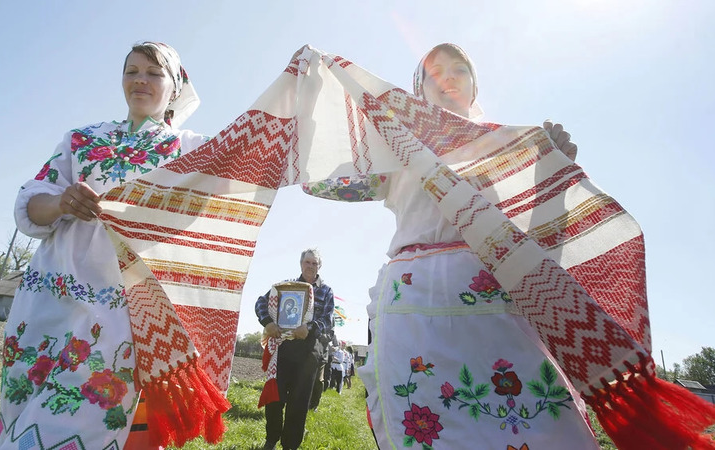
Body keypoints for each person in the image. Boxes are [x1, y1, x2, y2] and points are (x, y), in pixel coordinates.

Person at [303, 43, 598, 449]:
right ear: (418, 91)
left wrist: (553, 171)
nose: (448, 76)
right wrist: (310, 122)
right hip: (414, 309)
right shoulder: (396, 148)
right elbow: (319, 182)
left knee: (536, 428)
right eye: (433, 71)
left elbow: (548, 233)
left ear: (474, 88)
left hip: (498, 309)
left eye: (459, 68)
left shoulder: (506, 148)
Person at [0, 41, 215, 449]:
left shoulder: (189, 149)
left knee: (99, 416)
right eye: (132, 71)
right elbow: (31, 203)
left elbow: (249, 169)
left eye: (153, 73)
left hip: (126, 306)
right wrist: (63, 201)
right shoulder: (82, 140)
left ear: (175, 85)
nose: (140, 80)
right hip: (52, 296)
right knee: (26, 411)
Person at [255, 248, 335, 450]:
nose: (310, 266)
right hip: (284, 347)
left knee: (299, 402)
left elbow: (328, 320)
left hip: (309, 351)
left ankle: (290, 445)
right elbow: (261, 302)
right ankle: (271, 439)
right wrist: (267, 322)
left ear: (319, 267)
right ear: (301, 264)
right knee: (275, 396)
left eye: (314, 263)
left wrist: (309, 328)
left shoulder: (326, 291)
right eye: (307, 262)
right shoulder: (287, 287)